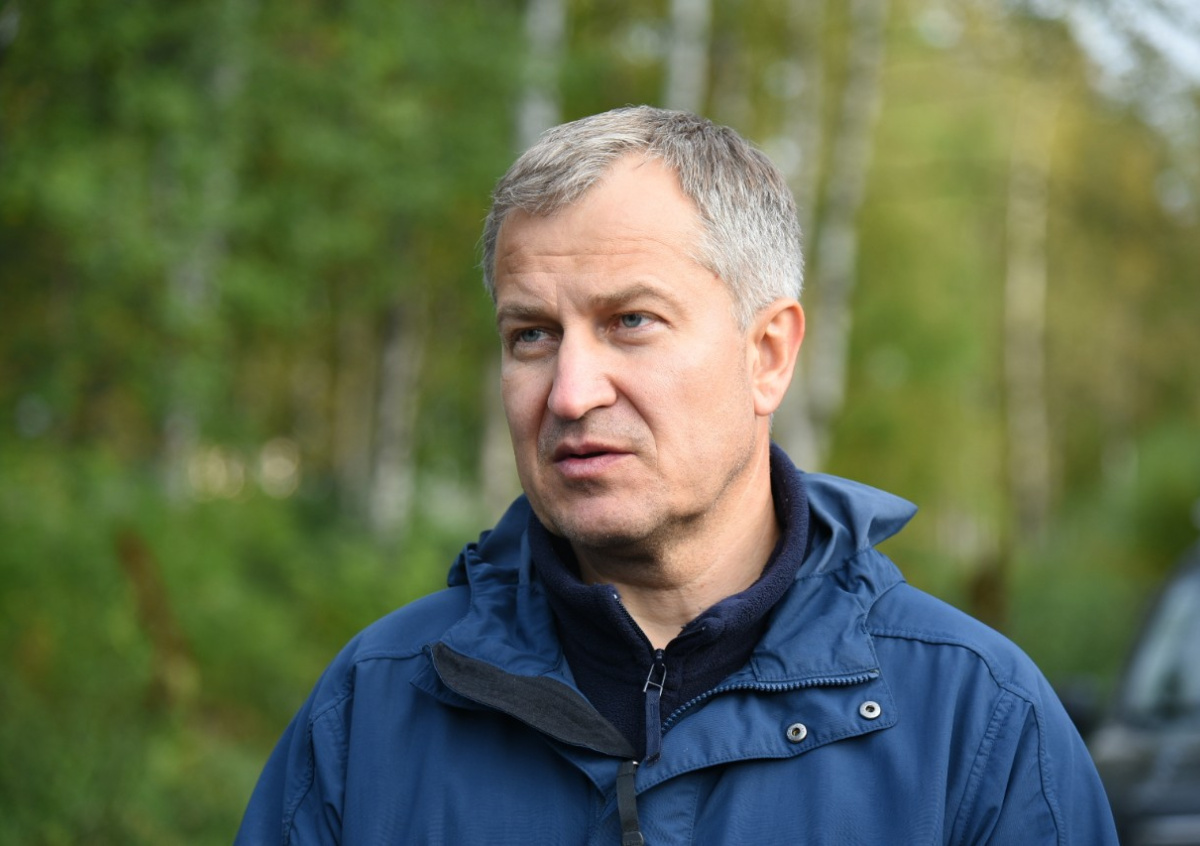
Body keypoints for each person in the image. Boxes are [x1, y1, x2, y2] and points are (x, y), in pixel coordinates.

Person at [235, 106, 1118, 845]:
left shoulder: (978, 725)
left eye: (631, 321)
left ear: (767, 354)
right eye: (532, 335)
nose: (571, 393)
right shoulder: (373, 708)